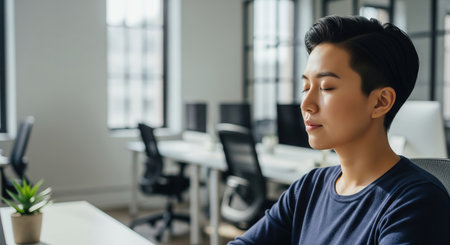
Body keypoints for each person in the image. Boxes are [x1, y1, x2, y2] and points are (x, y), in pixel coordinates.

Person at [228, 15, 450, 244]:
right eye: (305, 87)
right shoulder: (309, 187)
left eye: (327, 87)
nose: (306, 103)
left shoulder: (416, 203)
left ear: (380, 102)